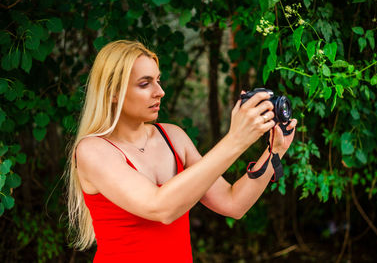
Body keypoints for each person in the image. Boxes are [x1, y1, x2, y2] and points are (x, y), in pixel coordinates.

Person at [66, 40, 297, 262]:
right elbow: (160, 207)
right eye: (145, 84)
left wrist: (274, 151)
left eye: (158, 80)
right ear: (112, 92)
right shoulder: (92, 150)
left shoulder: (173, 137)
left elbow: (233, 203)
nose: (160, 91)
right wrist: (235, 140)